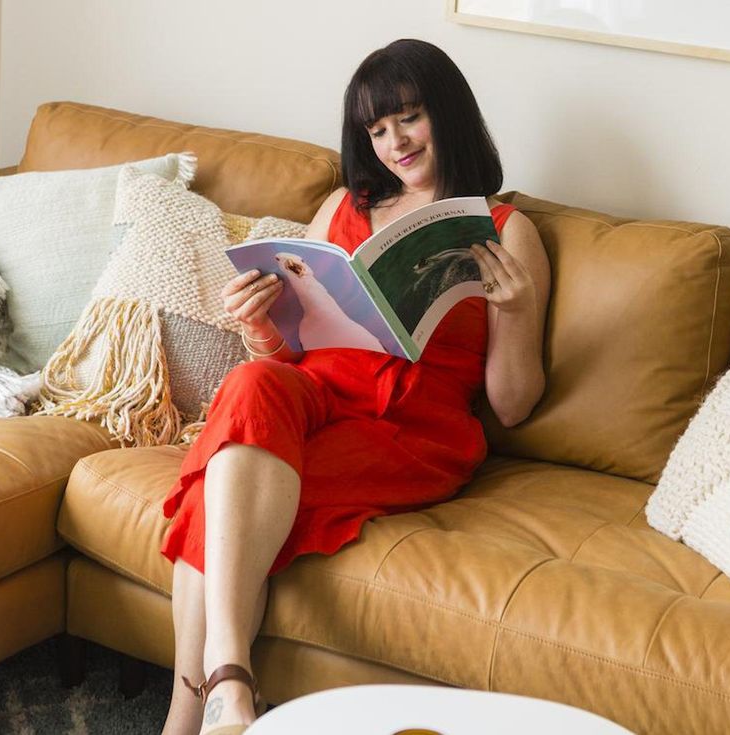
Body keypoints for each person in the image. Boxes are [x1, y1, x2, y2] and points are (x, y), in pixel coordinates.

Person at [159, 38, 550, 735]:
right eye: (377, 129)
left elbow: (513, 406)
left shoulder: (504, 231)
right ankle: (231, 682)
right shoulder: (344, 205)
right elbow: (294, 352)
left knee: (218, 504)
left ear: (446, 114)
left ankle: (194, 717)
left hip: (411, 430)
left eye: (408, 117)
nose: (394, 142)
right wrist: (261, 329)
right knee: (250, 381)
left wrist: (514, 311)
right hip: (313, 396)